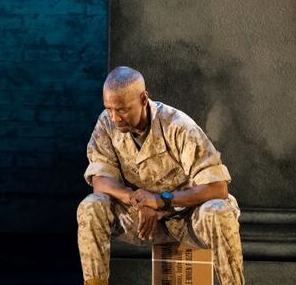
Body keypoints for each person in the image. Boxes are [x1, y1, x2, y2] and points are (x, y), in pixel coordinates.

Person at [77, 66, 244, 285]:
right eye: (109, 108)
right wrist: (135, 199)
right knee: (91, 205)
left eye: (123, 110)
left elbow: (218, 188)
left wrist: (158, 200)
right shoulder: (107, 123)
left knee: (220, 211)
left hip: (186, 217)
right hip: (142, 222)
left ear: (143, 98)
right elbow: (99, 180)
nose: (115, 117)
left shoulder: (177, 126)